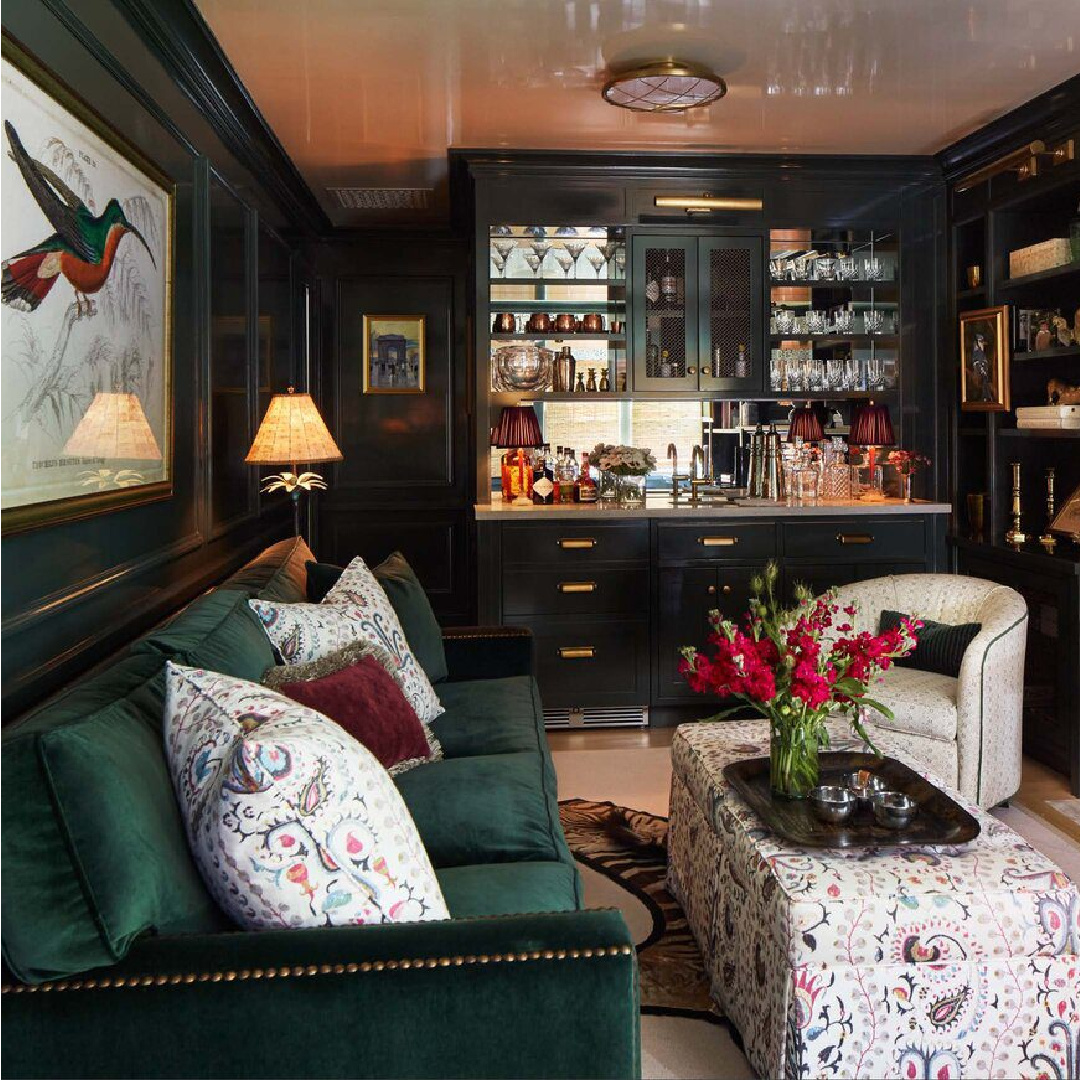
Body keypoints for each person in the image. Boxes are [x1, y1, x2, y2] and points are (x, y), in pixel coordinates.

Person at [971, 332, 994, 403]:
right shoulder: (977, 352)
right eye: (980, 341)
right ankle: (985, 397)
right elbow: (976, 362)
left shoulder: (981, 351)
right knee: (984, 383)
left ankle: (986, 397)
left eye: (981, 341)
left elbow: (984, 361)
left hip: (983, 371)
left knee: (985, 384)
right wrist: (982, 370)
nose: (981, 343)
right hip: (980, 371)